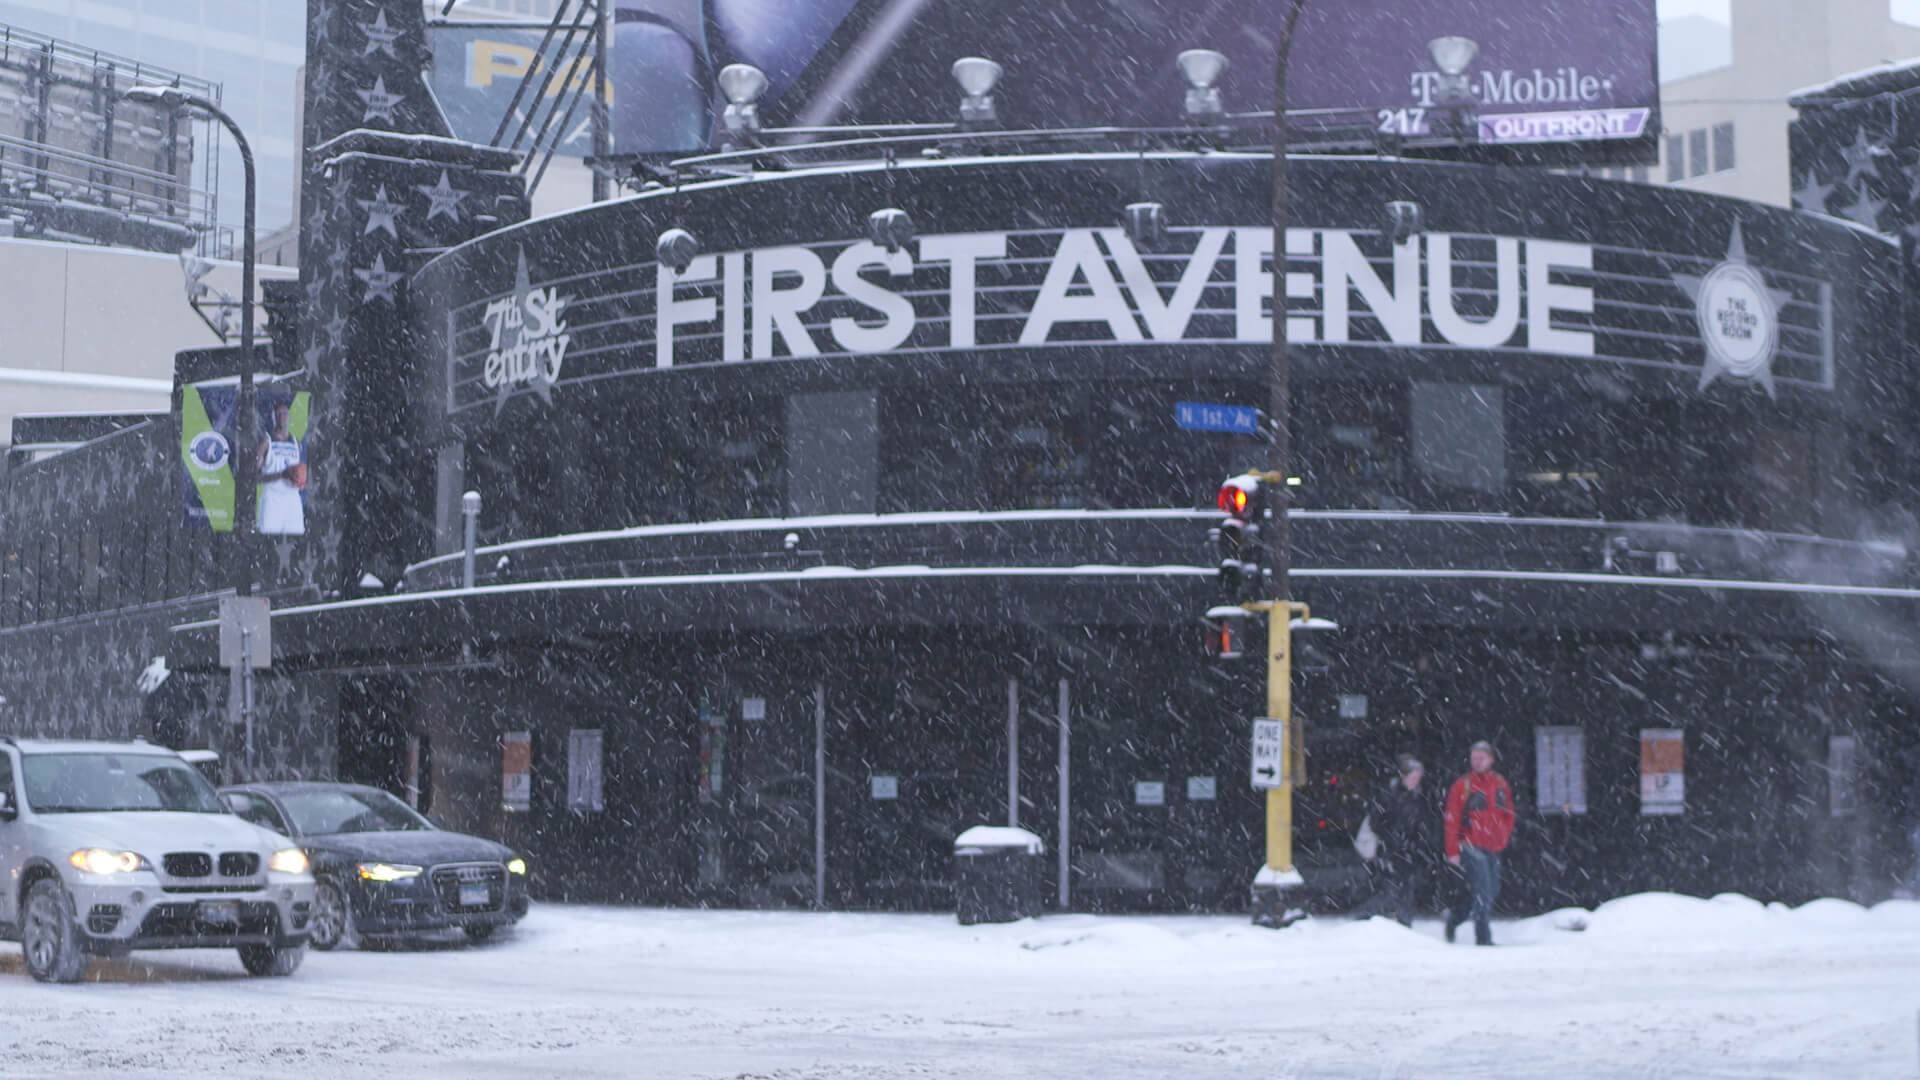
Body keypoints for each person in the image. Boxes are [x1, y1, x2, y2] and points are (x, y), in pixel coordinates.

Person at [1443, 740, 1516, 946]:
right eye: (1474, 758)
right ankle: (1483, 937)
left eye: (1481, 758)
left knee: (1490, 890)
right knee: (1484, 890)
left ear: (1491, 759)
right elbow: (1452, 819)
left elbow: (1508, 813)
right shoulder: (1462, 785)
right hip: (1471, 845)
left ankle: (1455, 918)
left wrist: (1503, 834)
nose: (1477, 762)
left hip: (1493, 846)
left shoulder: (1500, 783)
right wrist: (1453, 850)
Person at [1367, 753, 1434, 927]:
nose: (1415, 781)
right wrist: (1393, 837)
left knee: (1405, 889)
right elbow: (1376, 822)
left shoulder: (1417, 796)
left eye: (1418, 777)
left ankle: (1403, 924)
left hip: (1408, 850)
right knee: (1391, 890)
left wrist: (1418, 841)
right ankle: (1372, 920)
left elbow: (1420, 823)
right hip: (1391, 850)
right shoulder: (1390, 795)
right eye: (1413, 777)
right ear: (1403, 776)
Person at [256, 394, 307, 536]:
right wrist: (281, 475)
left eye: (285, 413)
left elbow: (302, 471)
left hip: (292, 499)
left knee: (296, 543)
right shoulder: (266, 442)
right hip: (272, 499)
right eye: (278, 414)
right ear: (273, 417)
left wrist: (302, 479)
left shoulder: (296, 443)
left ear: (289, 416)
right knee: (268, 543)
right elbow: (255, 478)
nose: (282, 416)